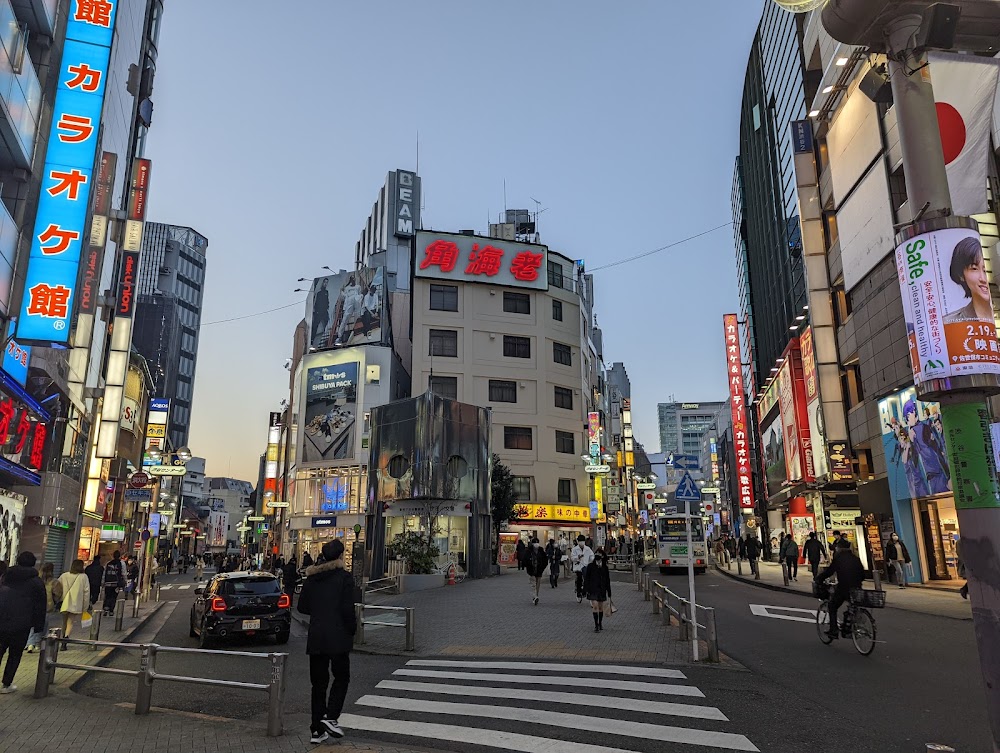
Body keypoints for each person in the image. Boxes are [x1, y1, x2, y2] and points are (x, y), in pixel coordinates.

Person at [298, 540, 356, 744]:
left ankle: (317, 730)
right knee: (341, 677)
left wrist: (319, 609)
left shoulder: (312, 579)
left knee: (318, 684)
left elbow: (302, 607)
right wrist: (352, 630)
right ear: (340, 556)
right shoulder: (344, 578)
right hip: (338, 636)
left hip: (316, 636)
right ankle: (330, 717)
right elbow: (348, 609)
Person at [0, 552, 46, 692]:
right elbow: (40, 606)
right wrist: (38, 626)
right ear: (33, 563)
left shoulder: (6, 577)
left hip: (2, 620)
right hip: (22, 624)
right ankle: (6, 684)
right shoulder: (36, 582)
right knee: (15, 654)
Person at [815, 539, 865, 639]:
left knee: (832, 606)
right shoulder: (856, 558)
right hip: (857, 588)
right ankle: (848, 626)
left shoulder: (839, 558)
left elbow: (829, 571)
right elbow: (863, 575)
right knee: (852, 606)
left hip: (844, 587)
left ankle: (833, 630)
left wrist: (819, 578)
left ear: (840, 548)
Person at [943, 236, 992, 324]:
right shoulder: (950, 322)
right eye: (974, 269)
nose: (983, 279)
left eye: (985, 270)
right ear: (961, 275)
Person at [57, 559, 90, 639]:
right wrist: (85, 607)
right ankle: (66, 637)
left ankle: (62, 636)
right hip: (75, 603)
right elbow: (86, 592)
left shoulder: (64, 575)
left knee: (64, 621)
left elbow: (57, 587)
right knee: (70, 621)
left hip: (64, 602)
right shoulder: (84, 577)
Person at [583, 547, 612, 632]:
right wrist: (586, 589)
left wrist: (609, 591)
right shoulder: (591, 566)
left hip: (602, 589)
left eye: (600, 555)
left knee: (600, 607)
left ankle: (600, 623)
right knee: (595, 606)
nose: (598, 556)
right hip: (593, 589)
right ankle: (596, 625)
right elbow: (587, 578)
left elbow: (607, 580)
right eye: (597, 554)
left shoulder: (604, 568)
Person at [524, 538, 549, 606]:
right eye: (535, 543)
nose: (536, 544)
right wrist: (528, 567)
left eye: (537, 543)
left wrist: (542, 567)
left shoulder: (541, 551)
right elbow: (525, 560)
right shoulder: (529, 551)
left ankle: (536, 595)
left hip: (539, 570)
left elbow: (545, 560)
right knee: (533, 584)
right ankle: (534, 596)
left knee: (538, 584)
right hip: (531, 570)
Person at [570, 535, 594, 604]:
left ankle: (587, 591)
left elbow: (592, 556)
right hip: (578, 566)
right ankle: (578, 591)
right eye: (580, 541)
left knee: (587, 578)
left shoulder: (588, 549)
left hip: (586, 566)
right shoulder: (574, 549)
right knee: (579, 578)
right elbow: (572, 558)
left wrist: (592, 560)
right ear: (578, 542)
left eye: (583, 541)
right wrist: (578, 557)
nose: (581, 543)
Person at [102, 550, 125, 615]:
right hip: (116, 583)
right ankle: (111, 610)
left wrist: (103, 581)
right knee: (113, 596)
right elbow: (123, 573)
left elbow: (104, 573)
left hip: (108, 583)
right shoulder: (121, 563)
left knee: (107, 595)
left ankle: (106, 608)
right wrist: (124, 581)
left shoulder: (108, 563)